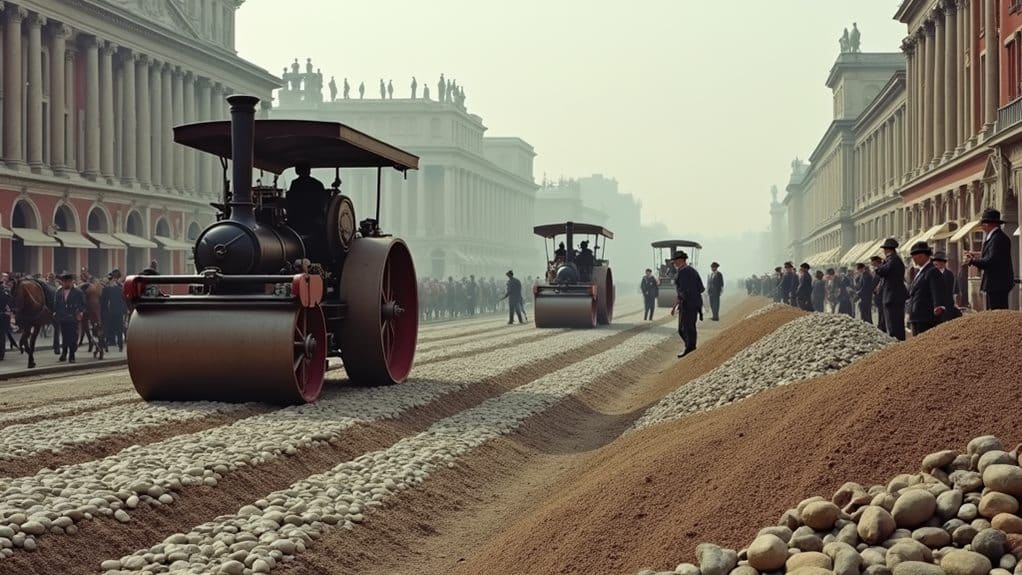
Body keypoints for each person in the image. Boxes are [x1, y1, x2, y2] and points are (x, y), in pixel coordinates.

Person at [965, 207, 1015, 310]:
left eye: (983, 224)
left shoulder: (997, 238)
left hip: (997, 284)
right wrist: (977, 256)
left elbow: (991, 261)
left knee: (996, 314)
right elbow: (992, 256)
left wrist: (972, 261)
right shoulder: (996, 237)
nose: (982, 227)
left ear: (988, 224)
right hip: (996, 284)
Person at [670, 251, 704, 358]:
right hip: (693, 303)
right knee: (687, 327)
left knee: (685, 328)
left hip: (688, 304)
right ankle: (690, 347)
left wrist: (678, 303)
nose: (674, 263)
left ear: (680, 260)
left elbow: (683, 291)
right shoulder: (693, 271)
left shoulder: (683, 272)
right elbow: (701, 288)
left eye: (675, 261)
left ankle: (690, 348)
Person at [906, 242, 946, 336]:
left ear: (922, 256)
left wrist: (938, 306)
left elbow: (936, 290)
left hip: (925, 317)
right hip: (917, 316)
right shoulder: (920, 271)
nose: (913, 260)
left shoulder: (932, 271)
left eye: (914, 257)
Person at [874, 238, 908, 341]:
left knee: (894, 325)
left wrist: (878, 267)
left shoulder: (893, 260)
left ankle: (897, 344)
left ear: (888, 249)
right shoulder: (893, 260)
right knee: (893, 324)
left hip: (893, 297)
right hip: (893, 296)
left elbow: (883, 271)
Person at [285, 162, 330, 239]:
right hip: (314, 219)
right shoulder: (317, 184)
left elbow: (291, 202)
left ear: (297, 171)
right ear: (309, 170)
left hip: (299, 219)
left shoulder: (295, 183)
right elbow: (323, 202)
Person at [54, 271, 86, 363]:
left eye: (68, 281)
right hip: (63, 318)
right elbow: (56, 305)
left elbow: (83, 305)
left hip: (73, 318)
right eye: (64, 282)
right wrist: (56, 313)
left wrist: (80, 312)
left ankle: (72, 355)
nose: (65, 283)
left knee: (73, 337)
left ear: (71, 281)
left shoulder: (78, 292)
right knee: (64, 337)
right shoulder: (59, 292)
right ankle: (64, 354)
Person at [101, 269, 128, 352]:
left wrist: (103, 312)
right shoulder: (120, 289)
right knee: (119, 329)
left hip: (110, 312)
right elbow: (124, 301)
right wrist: (124, 312)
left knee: (109, 329)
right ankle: (120, 345)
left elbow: (103, 302)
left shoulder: (106, 289)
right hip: (118, 312)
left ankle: (107, 345)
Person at [932, 251, 962, 321]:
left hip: (948, 306)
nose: (936, 263)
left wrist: (956, 303)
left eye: (939, 261)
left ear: (944, 262)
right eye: (935, 261)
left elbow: (955, 291)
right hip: (934, 306)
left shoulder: (950, 274)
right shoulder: (930, 274)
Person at [870, 255, 887, 333]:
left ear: (876, 262)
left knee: (882, 311)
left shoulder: (882, 269)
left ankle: (882, 326)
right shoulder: (875, 270)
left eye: (873, 263)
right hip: (877, 294)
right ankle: (881, 325)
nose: (872, 264)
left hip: (881, 293)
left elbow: (881, 281)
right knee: (880, 311)